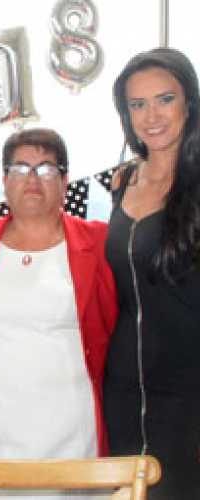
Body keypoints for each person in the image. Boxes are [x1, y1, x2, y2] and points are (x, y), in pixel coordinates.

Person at [0, 128, 118, 499]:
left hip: (74, 432)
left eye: (47, 169)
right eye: (20, 168)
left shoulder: (100, 242)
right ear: (4, 181)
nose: (32, 179)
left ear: (65, 182)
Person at [104, 47, 200, 500]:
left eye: (165, 99)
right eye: (137, 104)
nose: (151, 116)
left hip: (189, 391)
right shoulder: (124, 181)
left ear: (189, 103)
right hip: (124, 385)